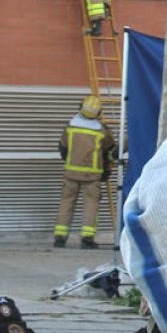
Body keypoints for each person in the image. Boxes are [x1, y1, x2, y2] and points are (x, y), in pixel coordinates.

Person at [54, 95, 116, 249]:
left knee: (66, 203)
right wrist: (107, 169)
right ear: (98, 112)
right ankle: (87, 239)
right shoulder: (102, 131)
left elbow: (62, 148)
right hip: (92, 175)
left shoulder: (70, 127)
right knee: (91, 204)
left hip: (71, 173)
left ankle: (60, 239)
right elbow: (110, 150)